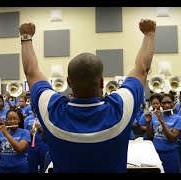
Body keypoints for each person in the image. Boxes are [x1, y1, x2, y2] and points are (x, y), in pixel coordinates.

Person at [19, 18, 156, 173]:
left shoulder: (52, 110)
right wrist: (149, 34)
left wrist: (26, 36)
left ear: (69, 82)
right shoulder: (120, 108)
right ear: (102, 82)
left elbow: (31, 72)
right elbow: (142, 69)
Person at [144, 93, 181, 173]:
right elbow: (149, 137)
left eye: (169, 103)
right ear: (161, 104)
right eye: (164, 103)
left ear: (173, 103)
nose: (167, 105)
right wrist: (148, 123)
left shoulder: (179, 119)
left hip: (170, 154)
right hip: (156, 153)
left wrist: (162, 121)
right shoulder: (154, 116)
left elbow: (172, 138)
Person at [0, 108, 31, 173]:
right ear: (6, 120)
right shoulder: (0, 133)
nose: (12, 121)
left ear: (19, 120)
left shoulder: (25, 132)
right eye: (9, 119)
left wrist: (6, 134)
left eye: (15, 119)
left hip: (20, 168)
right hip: (3, 168)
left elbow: (20, 149)